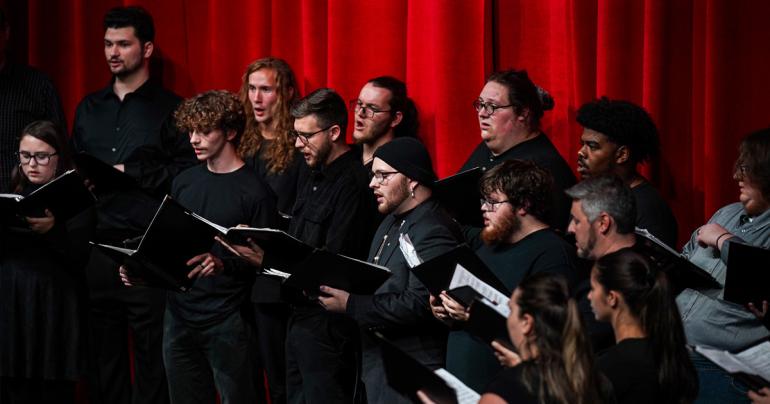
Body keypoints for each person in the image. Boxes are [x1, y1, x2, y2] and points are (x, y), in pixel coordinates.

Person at [71, 7, 196, 404]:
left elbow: (186, 171)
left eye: (122, 44)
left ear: (146, 48)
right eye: (107, 43)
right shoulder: (89, 108)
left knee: (150, 358)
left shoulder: (172, 107)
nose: (112, 52)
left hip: (146, 246)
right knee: (103, 358)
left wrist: (131, 169)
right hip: (96, 246)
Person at [122, 90, 278, 403]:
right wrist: (142, 270)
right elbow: (172, 243)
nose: (194, 139)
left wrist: (223, 264)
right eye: (191, 131)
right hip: (179, 316)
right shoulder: (185, 181)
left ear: (230, 132)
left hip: (228, 319)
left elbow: (266, 265)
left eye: (204, 131)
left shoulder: (255, 192)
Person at [317, 137, 463, 403]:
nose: (373, 184)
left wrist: (351, 304)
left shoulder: (432, 229)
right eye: (373, 175)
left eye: (383, 176)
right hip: (380, 370)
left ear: (412, 180)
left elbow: (421, 303)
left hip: (413, 372)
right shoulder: (389, 222)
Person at [430, 159, 577, 391]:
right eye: (483, 201)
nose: (483, 209)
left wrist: (472, 315)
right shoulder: (490, 244)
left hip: (509, 388)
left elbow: (543, 335)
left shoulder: (553, 254)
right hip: (464, 386)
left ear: (524, 205)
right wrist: (446, 310)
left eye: (493, 202)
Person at [286, 88, 376, 403]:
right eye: (295, 135)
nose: (298, 145)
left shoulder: (353, 183)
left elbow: (338, 259)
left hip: (328, 322)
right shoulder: (311, 173)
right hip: (299, 314)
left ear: (334, 132)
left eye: (306, 136)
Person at [0, 121, 93, 403]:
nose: (32, 164)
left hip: (54, 302)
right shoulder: (12, 191)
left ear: (58, 157)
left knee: (50, 388)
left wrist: (53, 230)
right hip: (12, 300)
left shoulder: (76, 196)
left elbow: (80, 258)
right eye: (25, 155)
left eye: (41, 156)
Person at [676, 128, 770, 403]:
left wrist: (723, 239)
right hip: (675, 348)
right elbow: (687, 257)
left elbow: (758, 271)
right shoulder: (726, 213)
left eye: (747, 168)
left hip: (720, 368)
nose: (736, 176)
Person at [238, 56, 306, 404]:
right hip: (235, 276)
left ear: (287, 93)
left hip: (274, 277)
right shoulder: (241, 142)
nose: (257, 98)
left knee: (281, 379)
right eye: (252, 89)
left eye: (266, 89)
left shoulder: (298, 147)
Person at [460, 69, 575, 231]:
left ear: (523, 112)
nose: (482, 113)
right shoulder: (487, 149)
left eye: (492, 106)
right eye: (480, 105)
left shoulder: (545, 168)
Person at [479, 273, 609, 404]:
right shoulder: (596, 383)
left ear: (526, 322)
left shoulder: (507, 388)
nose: (509, 318)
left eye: (511, 310)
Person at [589, 248, 698, 404]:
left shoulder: (612, 366)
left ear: (612, 297)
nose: (589, 295)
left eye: (593, 288)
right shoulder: (669, 354)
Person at [576, 97, 678, 247]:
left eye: (592, 146)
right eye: (582, 144)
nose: (581, 152)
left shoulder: (648, 210)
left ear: (622, 154)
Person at [565, 175, 638, 351]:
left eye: (576, 221)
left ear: (603, 223)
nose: (570, 229)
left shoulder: (620, 282)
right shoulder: (639, 264)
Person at [0, 8, 66, 192]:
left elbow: (61, 155)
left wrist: (54, 212)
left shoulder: (38, 85)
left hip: (26, 208)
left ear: (5, 32)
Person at [350, 76, 419, 172]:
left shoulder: (401, 169)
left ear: (395, 119)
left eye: (372, 108)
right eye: (359, 103)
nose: (360, 113)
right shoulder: (345, 158)